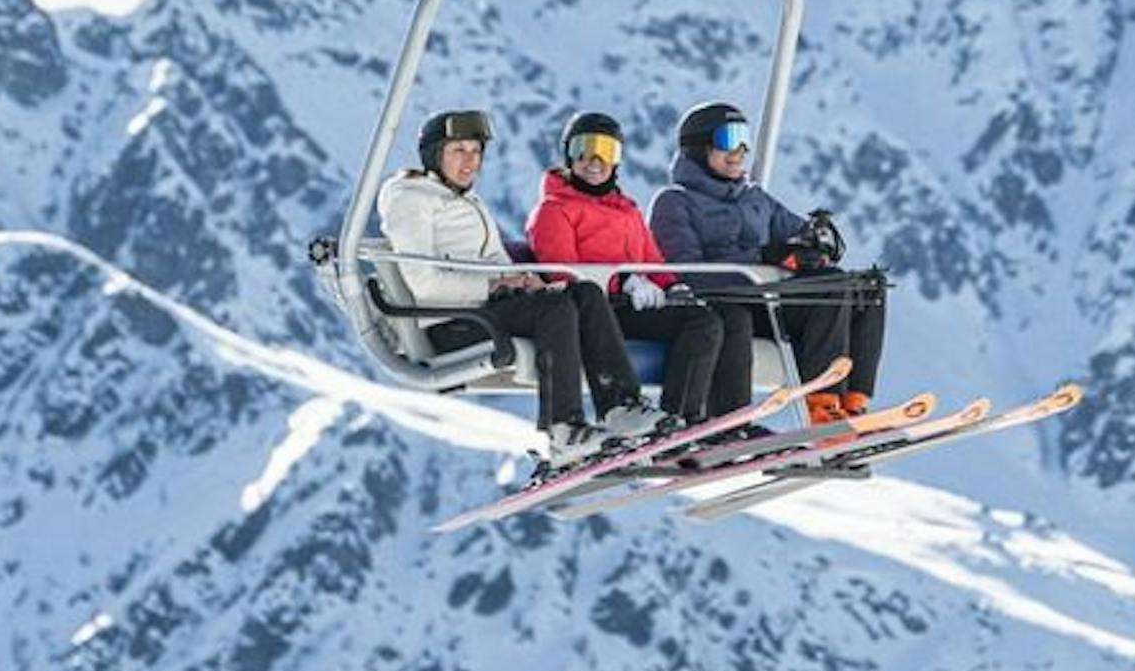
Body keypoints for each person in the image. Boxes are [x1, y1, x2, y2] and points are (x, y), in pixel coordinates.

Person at [374, 107, 653, 465]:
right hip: (450, 322)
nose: (470, 161)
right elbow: (424, 283)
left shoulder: (466, 200)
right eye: (459, 150)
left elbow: (494, 261)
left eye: (476, 151)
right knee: (555, 310)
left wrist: (524, 280)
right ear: (434, 155)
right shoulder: (410, 199)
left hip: (485, 310)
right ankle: (564, 429)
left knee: (583, 293)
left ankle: (620, 406)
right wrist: (493, 285)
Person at [647, 99, 886, 424]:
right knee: (819, 293)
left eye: (744, 139)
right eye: (728, 139)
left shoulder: (753, 197)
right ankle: (821, 407)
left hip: (768, 301)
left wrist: (812, 245)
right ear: (699, 148)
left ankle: (852, 401)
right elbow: (685, 273)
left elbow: (798, 233)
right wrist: (763, 261)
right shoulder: (675, 203)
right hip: (726, 301)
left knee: (861, 288)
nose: (739, 150)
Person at [522, 110, 744, 432]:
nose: (594, 160)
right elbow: (563, 275)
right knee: (701, 322)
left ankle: (680, 419)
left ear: (617, 159)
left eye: (606, 151)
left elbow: (652, 261)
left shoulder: (626, 209)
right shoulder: (553, 210)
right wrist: (622, 282)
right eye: (583, 149)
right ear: (568, 155)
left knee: (704, 321)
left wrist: (670, 287)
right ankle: (646, 418)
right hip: (596, 313)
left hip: (632, 306)